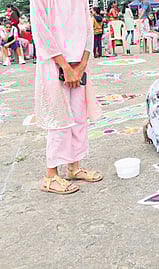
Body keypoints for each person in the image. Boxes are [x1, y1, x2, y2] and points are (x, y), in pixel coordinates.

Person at [30, 0, 104, 195]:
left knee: (79, 118)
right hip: (54, 65)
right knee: (59, 119)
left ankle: (74, 167)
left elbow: (88, 30)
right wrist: (64, 66)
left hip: (79, 65)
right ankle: (51, 176)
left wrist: (81, 65)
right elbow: (41, 32)